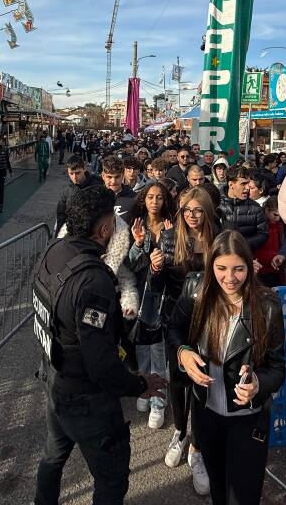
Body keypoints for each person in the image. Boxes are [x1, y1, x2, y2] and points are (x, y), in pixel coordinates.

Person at [33, 186, 167, 505]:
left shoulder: (53, 250)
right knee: (111, 479)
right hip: (85, 399)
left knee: (52, 458)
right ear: (105, 228)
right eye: (114, 224)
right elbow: (102, 364)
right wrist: (139, 385)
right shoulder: (94, 281)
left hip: (55, 380)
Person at [170, 230, 286, 505]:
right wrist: (183, 353)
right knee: (219, 491)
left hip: (248, 420)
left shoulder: (267, 306)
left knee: (243, 497)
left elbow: (278, 368)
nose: (230, 278)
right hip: (206, 414)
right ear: (211, 265)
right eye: (221, 268)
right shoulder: (194, 291)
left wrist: (258, 384)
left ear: (250, 266)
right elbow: (173, 328)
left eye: (238, 269)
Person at [151, 187, 219, 495]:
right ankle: (179, 431)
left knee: (203, 383)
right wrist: (154, 269)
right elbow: (158, 285)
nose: (191, 216)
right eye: (187, 211)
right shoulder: (169, 237)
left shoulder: (219, 237)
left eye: (197, 210)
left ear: (207, 211)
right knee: (177, 381)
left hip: (210, 320)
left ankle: (198, 447)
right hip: (176, 321)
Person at [128, 182, 176, 430]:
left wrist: (167, 245)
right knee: (141, 345)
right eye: (150, 197)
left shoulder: (172, 226)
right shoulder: (138, 226)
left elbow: (177, 261)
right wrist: (138, 244)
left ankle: (159, 399)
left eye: (159, 197)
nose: (154, 201)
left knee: (158, 348)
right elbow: (132, 263)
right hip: (142, 292)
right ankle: (144, 388)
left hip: (164, 294)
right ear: (143, 200)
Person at [218, 164, 268, 254]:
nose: (248, 188)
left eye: (248, 183)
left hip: (247, 258)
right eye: (243, 184)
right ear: (231, 184)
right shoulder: (217, 206)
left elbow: (263, 234)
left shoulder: (256, 208)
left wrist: (243, 245)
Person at [55, 156, 102, 236]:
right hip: (72, 234)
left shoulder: (97, 187)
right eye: (71, 173)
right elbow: (61, 215)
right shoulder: (67, 190)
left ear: (84, 169)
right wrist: (57, 236)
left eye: (78, 173)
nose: (74, 177)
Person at [254, 196, 285, 287]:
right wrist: (273, 256)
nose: (278, 218)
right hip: (261, 271)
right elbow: (256, 250)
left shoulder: (280, 226)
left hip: (276, 270)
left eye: (280, 216)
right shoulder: (259, 226)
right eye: (275, 215)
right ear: (267, 210)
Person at [101, 155, 137, 226]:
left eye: (117, 177)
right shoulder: (95, 197)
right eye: (109, 177)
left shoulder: (134, 198)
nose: (113, 181)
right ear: (103, 176)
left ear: (123, 175)